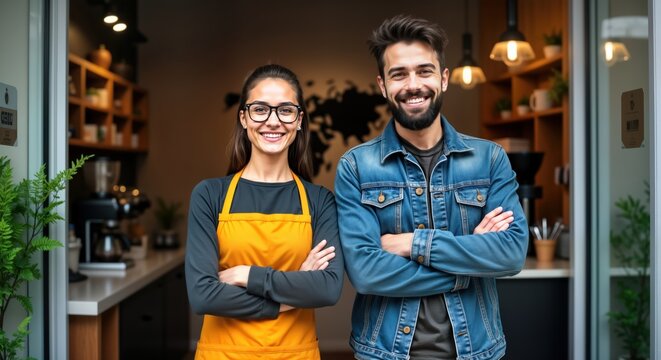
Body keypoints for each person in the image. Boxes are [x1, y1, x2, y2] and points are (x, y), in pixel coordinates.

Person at [334, 15, 528, 360]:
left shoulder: (489, 159)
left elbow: (511, 253)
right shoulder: (356, 167)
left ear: (444, 79)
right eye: (399, 74)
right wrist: (468, 264)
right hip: (384, 353)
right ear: (382, 85)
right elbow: (366, 273)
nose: (413, 84)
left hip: (477, 352)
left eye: (424, 71)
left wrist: (411, 243)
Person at [186, 64, 343, 360]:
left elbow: (327, 289)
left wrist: (244, 274)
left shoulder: (319, 201)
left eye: (285, 110)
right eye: (260, 109)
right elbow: (203, 295)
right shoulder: (209, 195)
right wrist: (291, 293)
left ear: (298, 120)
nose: (273, 121)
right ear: (244, 118)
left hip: (296, 354)